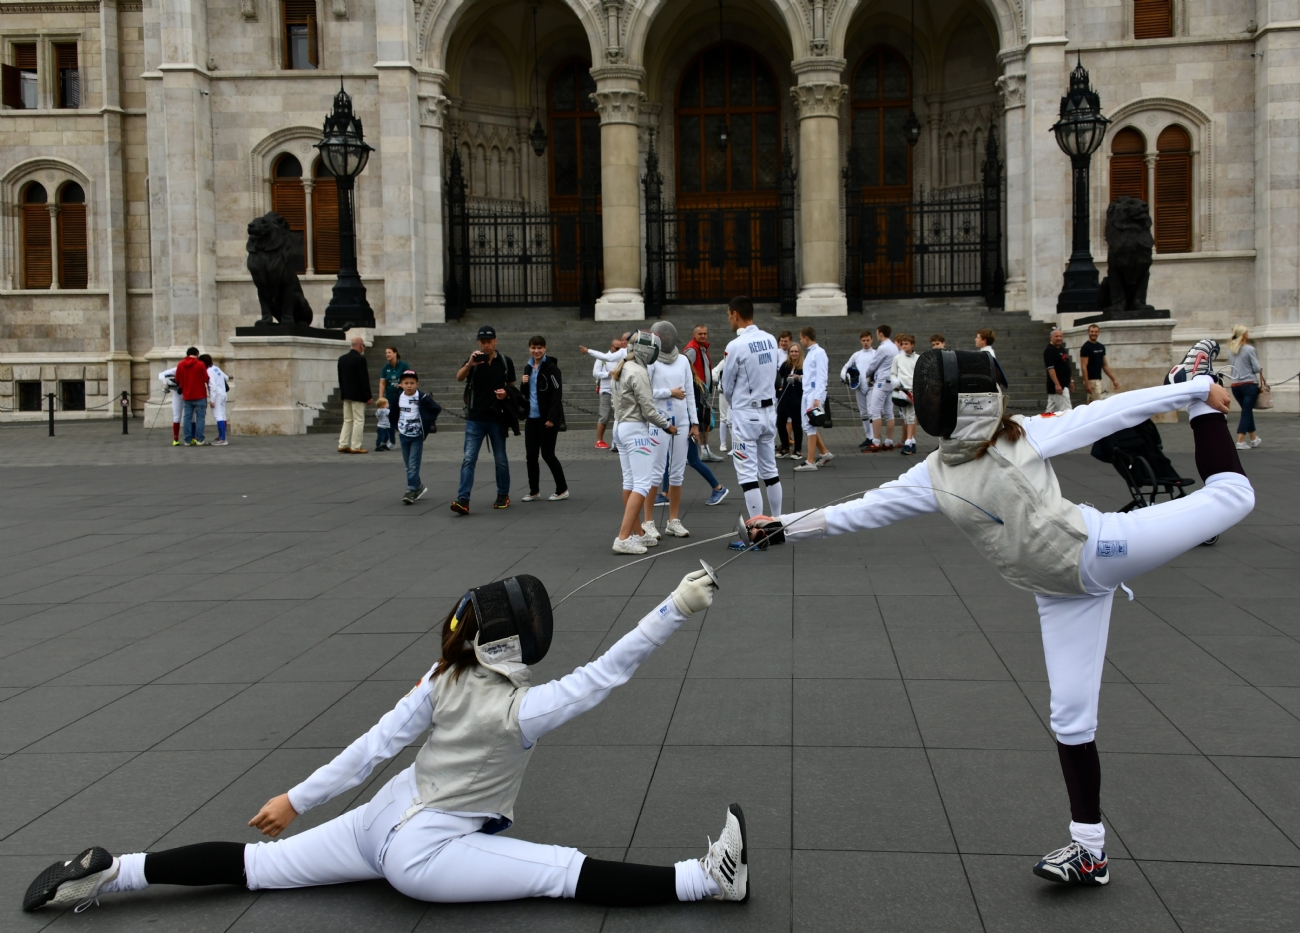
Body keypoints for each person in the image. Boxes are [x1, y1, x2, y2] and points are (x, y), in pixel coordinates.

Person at [746, 339, 1254, 888]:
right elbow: (862, 509)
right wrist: (783, 527)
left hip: (1099, 549)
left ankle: (1200, 404)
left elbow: (1110, 412)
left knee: (1235, 497)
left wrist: (1194, 390)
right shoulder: (936, 473)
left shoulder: (1025, 435)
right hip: (1057, 592)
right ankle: (1090, 853)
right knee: (1071, 719)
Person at [23, 571, 753, 914]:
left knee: (258, 865)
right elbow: (605, 675)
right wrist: (673, 607)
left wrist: (293, 800)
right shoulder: (521, 710)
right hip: (424, 856)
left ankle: (116, 871)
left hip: (378, 818)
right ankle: (707, 879)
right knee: (561, 872)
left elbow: (372, 748)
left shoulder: (440, 677)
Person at [719, 297, 783, 543]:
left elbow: (727, 384)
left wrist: (736, 403)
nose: (729, 319)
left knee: (747, 474)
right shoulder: (770, 339)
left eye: (729, 315)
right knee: (770, 470)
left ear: (735, 314)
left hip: (747, 413)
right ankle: (778, 522)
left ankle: (758, 531)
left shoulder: (735, 345)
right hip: (769, 411)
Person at [611, 331, 677, 554]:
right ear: (646, 350)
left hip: (620, 427)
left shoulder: (622, 366)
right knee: (642, 483)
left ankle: (638, 533)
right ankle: (623, 538)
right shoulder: (638, 371)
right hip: (635, 430)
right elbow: (648, 410)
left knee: (630, 482)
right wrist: (667, 426)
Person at [641, 321, 699, 541]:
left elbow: (690, 392)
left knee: (677, 473)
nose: (666, 338)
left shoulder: (683, 360)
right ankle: (648, 521)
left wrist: (694, 423)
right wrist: (669, 392)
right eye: (662, 335)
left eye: (668, 335)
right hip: (660, 422)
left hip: (682, 422)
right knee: (656, 471)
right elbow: (646, 392)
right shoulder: (651, 361)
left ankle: (673, 520)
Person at [454, 325, 515, 515]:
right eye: (483, 342)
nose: (486, 345)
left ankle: (503, 494)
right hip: (475, 418)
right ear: (479, 343)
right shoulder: (474, 361)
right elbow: (459, 377)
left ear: (495, 341)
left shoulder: (505, 361)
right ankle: (463, 499)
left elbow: (511, 385)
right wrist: (469, 364)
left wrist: (506, 393)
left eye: (489, 341)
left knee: (500, 458)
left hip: (497, 418)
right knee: (468, 459)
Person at [521, 336, 569, 503]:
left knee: (548, 455)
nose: (536, 351)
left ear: (545, 348)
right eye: (533, 348)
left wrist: (551, 418)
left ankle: (562, 489)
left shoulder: (551, 368)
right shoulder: (528, 367)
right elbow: (525, 393)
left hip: (546, 419)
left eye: (539, 347)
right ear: (529, 348)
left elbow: (556, 394)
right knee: (531, 456)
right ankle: (534, 491)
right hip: (531, 418)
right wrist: (523, 383)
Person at [394, 370, 441, 505]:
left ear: (417, 384)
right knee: (408, 465)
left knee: (413, 464)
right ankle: (418, 486)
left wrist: (426, 421)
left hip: (417, 435)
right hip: (403, 434)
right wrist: (396, 425)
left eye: (412, 383)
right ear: (401, 384)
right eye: (406, 383)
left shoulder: (422, 397)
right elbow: (393, 411)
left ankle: (410, 490)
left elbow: (435, 408)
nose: (409, 386)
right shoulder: (399, 396)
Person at [581, 334, 628, 450]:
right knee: (604, 416)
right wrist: (608, 374)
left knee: (620, 416)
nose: (619, 350)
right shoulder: (602, 359)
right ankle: (599, 440)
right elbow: (595, 373)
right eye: (616, 348)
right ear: (611, 346)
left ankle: (618, 440)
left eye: (620, 348)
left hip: (619, 390)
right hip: (606, 390)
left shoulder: (622, 357)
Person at [795, 327, 832, 471]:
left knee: (810, 425)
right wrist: (799, 378)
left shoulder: (819, 353)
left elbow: (821, 376)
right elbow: (811, 375)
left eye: (801, 338)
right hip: (808, 391)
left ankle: (810, 461)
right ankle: (824, 453)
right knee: (807, 424)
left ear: (806, 338)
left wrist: (817, 397)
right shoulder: (811, 353)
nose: (800, 341)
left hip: (814, 392)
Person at [683, 324, 722, 461]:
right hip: (696, 391)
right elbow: (684, 369)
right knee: (697, 420)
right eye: (700, 333)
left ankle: (704, 451)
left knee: (703, 420)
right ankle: (691, 453)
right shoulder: (693, 350)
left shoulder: (702, 349)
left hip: (702, 391)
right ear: (694, 335)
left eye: (705, 333)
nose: (703, 336)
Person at [862, 325, 899, 453]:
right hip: (891, 381)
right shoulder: (894, 347)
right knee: (889, 412)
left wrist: (867, 374)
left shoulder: (883, 348)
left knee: (875, 411)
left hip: (882, 381)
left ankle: (876, 442)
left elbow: (873, 365)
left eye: (877, 333)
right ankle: (889, 441)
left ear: (881, 334)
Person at [1227, 325, 1264, 449]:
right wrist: (1259, 369)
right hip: (1249, 384)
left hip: (1235, 385)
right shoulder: (1249, 349)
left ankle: (1253, 439)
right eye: (1247, 333)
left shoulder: (1230, 350)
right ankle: (1240, 441)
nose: (1248, 335)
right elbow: (1256, 368)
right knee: (1246, 412)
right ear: (1243, 335)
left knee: (1246, 411)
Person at [840, 330, 876, 450]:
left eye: (868, 340)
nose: (866, 342)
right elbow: (846, 366)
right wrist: (844, 375)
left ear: (872, 340)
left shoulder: (875, 354)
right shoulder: (857, 355)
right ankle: (868, 437)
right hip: (859, 387)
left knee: (871, 412)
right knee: (863, 413)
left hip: (871, 386)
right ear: (860, 341)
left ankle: (874, 438)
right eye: (864, 340)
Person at [337, 337, 372, 454]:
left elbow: (340, 379)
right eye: (363, 346)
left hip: (346, 393)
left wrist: (343, 393)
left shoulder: (342, 359)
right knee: (358, 420)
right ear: (360, 345)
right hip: (358, 395)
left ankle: (342, 444)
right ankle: (356, 446)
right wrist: (368, 395)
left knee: (347, 420)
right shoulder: (360, 359)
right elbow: (364, 379)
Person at [175, 347, 209, 447]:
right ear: (197, 353)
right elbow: (206, 378)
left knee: (187, 418)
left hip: (187, 395)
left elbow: (177, 379)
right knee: (200, 418)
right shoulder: (200, 364)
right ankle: (200, 439)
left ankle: (187, 440)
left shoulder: (180, 364)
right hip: (200, 394)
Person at [890, 334, 918, 455]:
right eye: (903, 344)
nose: (904, 346)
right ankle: (912, 441)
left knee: (911, 416)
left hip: (913, 391)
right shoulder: (897, 358)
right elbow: (892, 373)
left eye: (907, 344)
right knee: (906, 416)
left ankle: (908, 442)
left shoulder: (918, 358)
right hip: (901, 391)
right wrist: (895, 381)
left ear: (912, 345)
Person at [1079, 325, 1121, 403]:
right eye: (1092, 331)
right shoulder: (1085, 347)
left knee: (1091, 404)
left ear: (1098, 332)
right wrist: (1087, 383)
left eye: (1096, 332)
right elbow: (1083, 366)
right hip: (1091, 380)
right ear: (1088, 332)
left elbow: (1105, 365)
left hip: (1098, 379)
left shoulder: (1101, 347)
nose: (1094, 333)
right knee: (1098, 403)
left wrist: (1114, 379)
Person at [775, 343, 804, 460]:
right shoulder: (785, 365)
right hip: (784, 398)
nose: (794, 354)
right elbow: (778, 376)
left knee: (796, 425)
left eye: (796, 351)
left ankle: (798, 449)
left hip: (797, 398)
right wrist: (778, 388)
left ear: (799, 353)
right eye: (791, 351)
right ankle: (785, 446)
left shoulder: (803, 366)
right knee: (780, 423)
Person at [199, 354, 230, 446]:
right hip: (223, 394)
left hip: (217, 395)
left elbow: (212, 386)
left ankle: (222, 439)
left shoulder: (208, 371)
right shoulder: (216, 368)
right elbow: (226, 377)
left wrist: (212, 400)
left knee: (218, 416)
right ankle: (222, 436)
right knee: (223, 415)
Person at [1045, 328, 1074, 413]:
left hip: (1064, 385)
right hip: (1059, 387)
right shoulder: (1050, 351)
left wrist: (1071, 380)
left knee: (1050, 412)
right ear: (1051, 337)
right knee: (1066, 411)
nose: (1059, 338)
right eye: (1056, 336)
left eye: (1060, 336)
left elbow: (1066, 366)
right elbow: (1051, 369)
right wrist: (1057, 384)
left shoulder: (1061, 349)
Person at [158, 365, 185, 446]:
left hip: (189, 393)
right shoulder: (178, 368)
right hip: (178, 393)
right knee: (177, 416)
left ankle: (193, 437)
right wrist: (165, 383)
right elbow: (161, 374)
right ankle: (176, 438)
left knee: (191, 417)